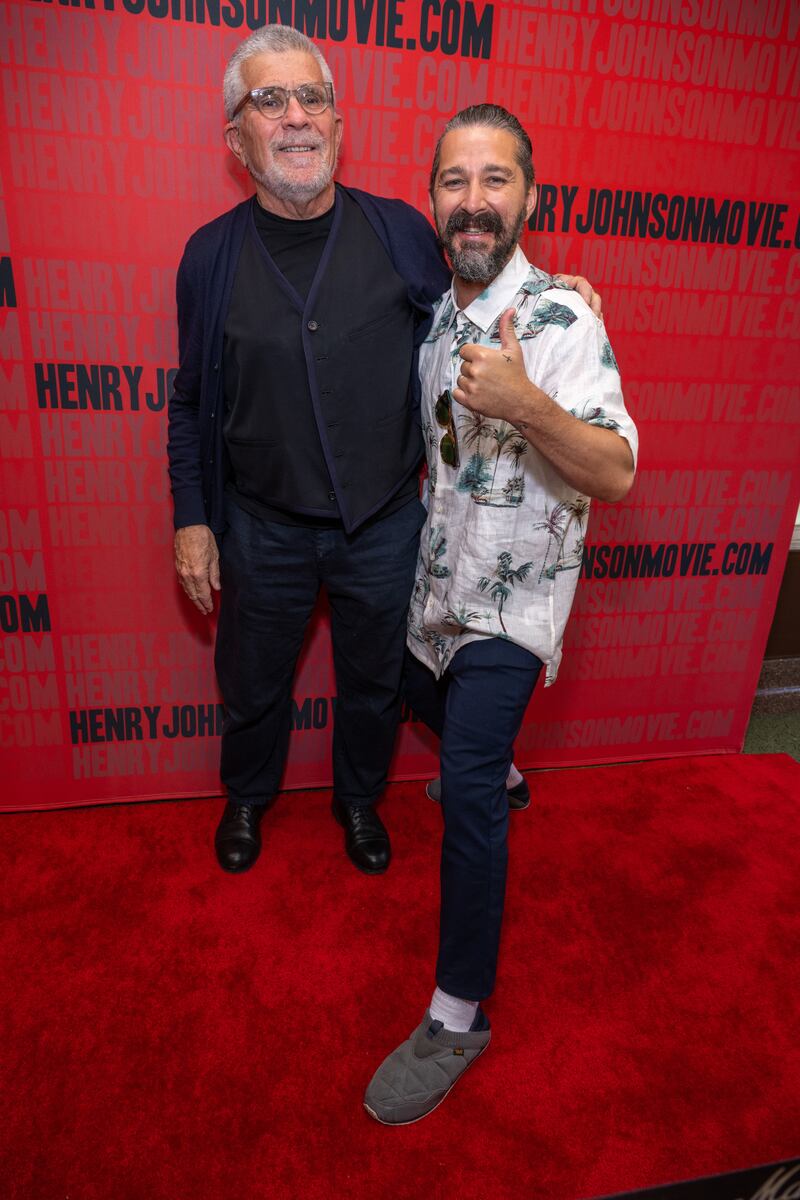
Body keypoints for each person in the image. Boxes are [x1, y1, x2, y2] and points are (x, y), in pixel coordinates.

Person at [167, 27, 598, 878]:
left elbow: (480, 289)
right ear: (235, 138)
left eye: (313, 98)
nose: (296, 118)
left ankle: (358, 801)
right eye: (270, 101)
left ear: (338, 121)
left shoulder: (400, 230)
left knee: (373, 685)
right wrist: (192, 518)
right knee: (253, 686)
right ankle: (248, 797)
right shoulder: (208, 258)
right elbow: (189, 403)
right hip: (261, 528)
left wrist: (555, 291)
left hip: (384, 528)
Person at [364, 105, 637, 1124]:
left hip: (510, 609)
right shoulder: (435, 313)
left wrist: (526, 403)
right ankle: (504, 766)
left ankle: (455, 1014)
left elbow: (611, 473)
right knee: (395, 694)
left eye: (494, 180)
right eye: (452, 180)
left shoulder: (566, 323)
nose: (472, 200)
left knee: (465, 791)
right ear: (432, 199)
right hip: (430, 593)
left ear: (529, 196)